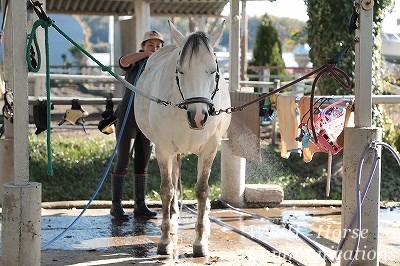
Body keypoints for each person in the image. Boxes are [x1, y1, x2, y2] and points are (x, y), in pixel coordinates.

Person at [110, 30, 164, 220]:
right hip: (128, 118)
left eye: (158, 46)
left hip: (147, 120)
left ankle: (140, 204)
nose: (154, 49)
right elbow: (122, 62)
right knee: (123, 161)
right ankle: (116, 205)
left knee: (143, 162)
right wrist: (146, 54)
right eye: (150, 45)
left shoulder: (160, 66)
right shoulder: (136, 62)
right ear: (143, 46)